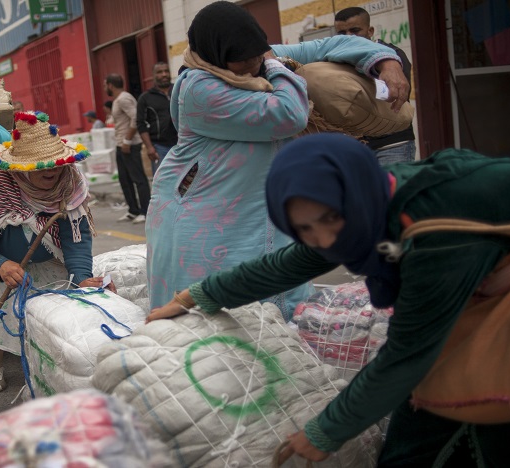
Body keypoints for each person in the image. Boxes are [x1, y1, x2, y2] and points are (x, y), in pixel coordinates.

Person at [149, 133, 510, 466]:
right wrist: (195, 297)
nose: (326, 239)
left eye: (330, 219)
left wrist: (325, 431)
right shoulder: (371, 208)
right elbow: (290, 263)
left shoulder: (433, 230)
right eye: (304, 228)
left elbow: (407, 355)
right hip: (481, 291)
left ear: (354, 192)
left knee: (498, 413)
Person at [145, 0, 409, 319]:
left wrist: (385, 61)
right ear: (216, 54)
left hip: (256, 208)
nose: (251, 66)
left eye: (256, 57)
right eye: (240, 62)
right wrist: (276, 66)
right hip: (203, 217)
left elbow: (332, 44)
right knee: (210, 318)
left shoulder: (260, 55)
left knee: (275, 311)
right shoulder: (198, 88)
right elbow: (288, 114)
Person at [0, 110, 114, 392]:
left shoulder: (68, 183)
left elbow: (76, 239)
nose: (50, 171)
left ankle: (44, 361)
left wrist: (81, 277)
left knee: (55, 308)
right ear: (20, 169)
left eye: (54, 164)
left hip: (46, 253)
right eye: (38, 167)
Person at [335, 6, 416, 164]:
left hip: (392, 144)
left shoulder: (392, 57)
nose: (349, 37)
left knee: (392, 188)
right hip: (355, 147)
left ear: (370, 31)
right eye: (342, 33)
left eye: (355, 30)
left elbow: (396, 95)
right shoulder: (337, 59)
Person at [105, 73, 150, 224]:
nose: (106, 88)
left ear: (110, 85)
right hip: (121, 145)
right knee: (125, 179)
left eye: (106, 85)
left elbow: (136, 118)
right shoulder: (118, 100)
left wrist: (127, 140)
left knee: (138, 179)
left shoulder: (123, 98)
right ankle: (133, 210)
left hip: (129, 145)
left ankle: (145, 211)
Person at [136, 62, 178, 175]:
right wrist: (149, 147)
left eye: (166, 71)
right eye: (160, 72)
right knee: (163, 182)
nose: (164, 74)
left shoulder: (179, 90)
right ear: (153, 76)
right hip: (160, 147)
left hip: (182, 144)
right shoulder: (145, 98)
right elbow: (141, 124)